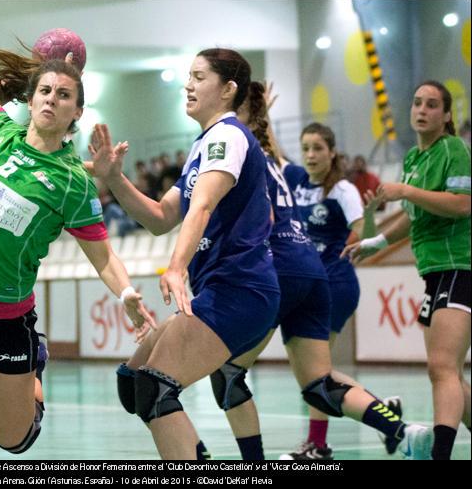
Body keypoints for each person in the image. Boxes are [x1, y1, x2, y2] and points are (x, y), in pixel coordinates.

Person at [0, 48, 156, 456]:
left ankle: (33, 366)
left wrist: (126, 294)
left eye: (64, 95)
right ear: (30, 101)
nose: (51, 98)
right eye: (44, 90)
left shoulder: (73, 183)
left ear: (76, 113)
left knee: (13, 440)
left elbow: (102, 256)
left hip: (4, 314)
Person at [214, 81, 430, 461]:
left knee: (229, 373)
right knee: (317, 380)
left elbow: (359, 228)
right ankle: (398, 428)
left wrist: (359, 244)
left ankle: (309, 447)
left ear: (333, 154)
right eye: (307, 148)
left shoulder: (341, 188)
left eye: (319, 148)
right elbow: (272, 155)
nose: (311, 155)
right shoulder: (293, 178)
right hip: (309, 277)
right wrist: (263, 115)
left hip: (320, 278)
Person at [96, 48, 280, 459]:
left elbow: (202, 206)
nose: (188, 85)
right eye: (189, 76)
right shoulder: (205, 144)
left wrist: (175, 267)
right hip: (224, 291)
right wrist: (114, 178)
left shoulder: (228, 136)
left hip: (241, 289)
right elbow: (161, 217)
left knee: (156, 387)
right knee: (135, 382)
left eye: (199, 77)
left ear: (228, 88)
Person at [344, 80, 470, 460]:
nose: (422, 110)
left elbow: (463, 204)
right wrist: (373, 243)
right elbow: (412, 218)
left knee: (441, 367)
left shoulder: (454, 150)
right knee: (449, 375)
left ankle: (440, 454)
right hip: (434, 271)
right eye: (417, 103)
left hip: (459, 265)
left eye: (432, 105)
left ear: (447, 115)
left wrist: (407, 192)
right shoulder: (415, 159)